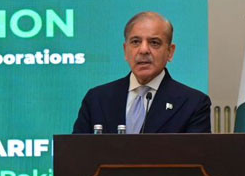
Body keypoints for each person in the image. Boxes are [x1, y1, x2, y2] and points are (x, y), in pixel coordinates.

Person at [72, 11, 211, 134]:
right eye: (135, 42)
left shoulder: (193, 104)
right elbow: (77, 153)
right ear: (125, 50)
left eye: (154, 43)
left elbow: (195, 154)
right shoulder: (97, 99)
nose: (143, 50)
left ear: (170, 52)